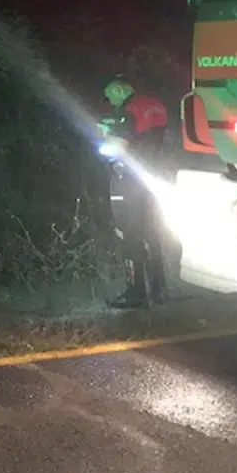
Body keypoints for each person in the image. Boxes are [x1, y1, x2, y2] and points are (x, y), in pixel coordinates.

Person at [100, 76, 170, 309]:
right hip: (154, 175)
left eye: (110, 95)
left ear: (120, 90)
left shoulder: (127, 111)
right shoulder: (156, 105)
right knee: (152, 232)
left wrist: (104, 136)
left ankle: (136, 292)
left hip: (128, 178)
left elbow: (117, 146)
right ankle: (159, 290)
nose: (109, 100)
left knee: (129, 233)